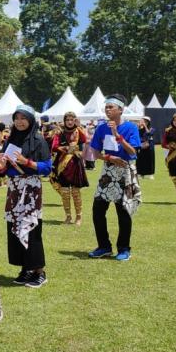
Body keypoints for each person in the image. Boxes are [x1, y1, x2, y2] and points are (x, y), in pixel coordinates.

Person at [0, 105, 51, 288]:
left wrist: (26, 162)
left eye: (23, 118)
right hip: (14, 189)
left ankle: (39, 271)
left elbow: (47, 168)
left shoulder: (39, 140)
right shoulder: (10, 139)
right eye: (16, 118)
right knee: (14, 227)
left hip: (31, 189)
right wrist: (1, 165)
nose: (19, 122)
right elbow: (3, 171)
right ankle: (25, 269)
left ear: (30, 119)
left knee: (32, 228)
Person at [87, 94, 142, 261]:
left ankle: (124, 249)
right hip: (108, 171)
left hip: (126, 170)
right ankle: (104, 246)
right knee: (98, 210)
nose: (108, 109)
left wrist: (117, 135)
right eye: (106, 107)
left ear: (120, 110)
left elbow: (133, 152)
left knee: (123, 211)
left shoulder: (131, 128)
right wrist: (109, 158)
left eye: (111, 107)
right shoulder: (101, 128)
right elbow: (95, 153)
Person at [49, 112, 90, 225]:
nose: (70, 122)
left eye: (72, 119)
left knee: (76, 192)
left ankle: (78, 217)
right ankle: (68, 217)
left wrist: (79, 127)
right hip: (63, 164)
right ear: (65, 121)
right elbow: (54, 147)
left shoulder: (78, 131)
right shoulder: (60, 132)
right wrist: (66, 148)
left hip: (75, 164)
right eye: (68, 120)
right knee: (65, 192)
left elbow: (85, 140)